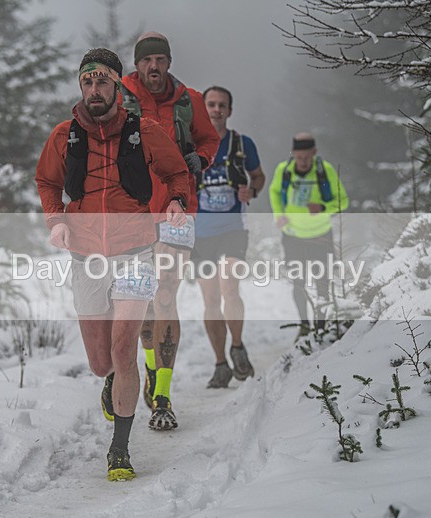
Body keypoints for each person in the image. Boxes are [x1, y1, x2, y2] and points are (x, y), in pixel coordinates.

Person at [35, 48, 191, 481]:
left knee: (125, 350)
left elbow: (178, 173)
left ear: (117, 86)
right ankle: (111, 379)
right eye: (87, 82)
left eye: (102, 81)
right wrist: (55, 220)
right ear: (80, 86)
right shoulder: (64, 136)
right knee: (100, 362)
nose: (94, 89)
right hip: (85, 257)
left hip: (136, 253)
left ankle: (119, 449)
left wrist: (177, 201)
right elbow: (47, 181)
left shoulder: (145, 131)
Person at [120, 32, 220, 430]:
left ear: (169, 62)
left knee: (165, 294)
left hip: (179, 209)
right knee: (142, 302)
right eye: (148, 61)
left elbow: (209, 138)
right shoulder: (120, 96)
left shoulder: (188, 100)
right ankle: (149, 367)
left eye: (161, 60)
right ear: (138, 64)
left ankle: (163, 394)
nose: (155, 67)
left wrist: (201, 158)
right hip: (134, 212)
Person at [195, 86, 266, 388]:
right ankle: (220, 363)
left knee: (229, 288)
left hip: (234, 227)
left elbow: (259, 175)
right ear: (203, 108)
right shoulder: (191, 144)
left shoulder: (242, 144)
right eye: (210, 104)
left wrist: (253, 190)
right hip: (200, 232)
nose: (216, 110)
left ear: (230, 110)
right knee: (210, 298)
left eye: (222, 105)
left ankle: (237, 346)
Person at [269, 133, 349, 341]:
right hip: (292, 236)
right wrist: (279, 214)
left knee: (322, 282)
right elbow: (274, 192)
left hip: (320, 236)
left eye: (307, 157)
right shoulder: (284, 170)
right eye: (299, 157)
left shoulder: (325, 171)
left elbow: (344, 201)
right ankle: (304, 325)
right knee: (299, 282)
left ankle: (321, 327)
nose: (303, 161)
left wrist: (323, 207)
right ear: (293, 154)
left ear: (314, 153)